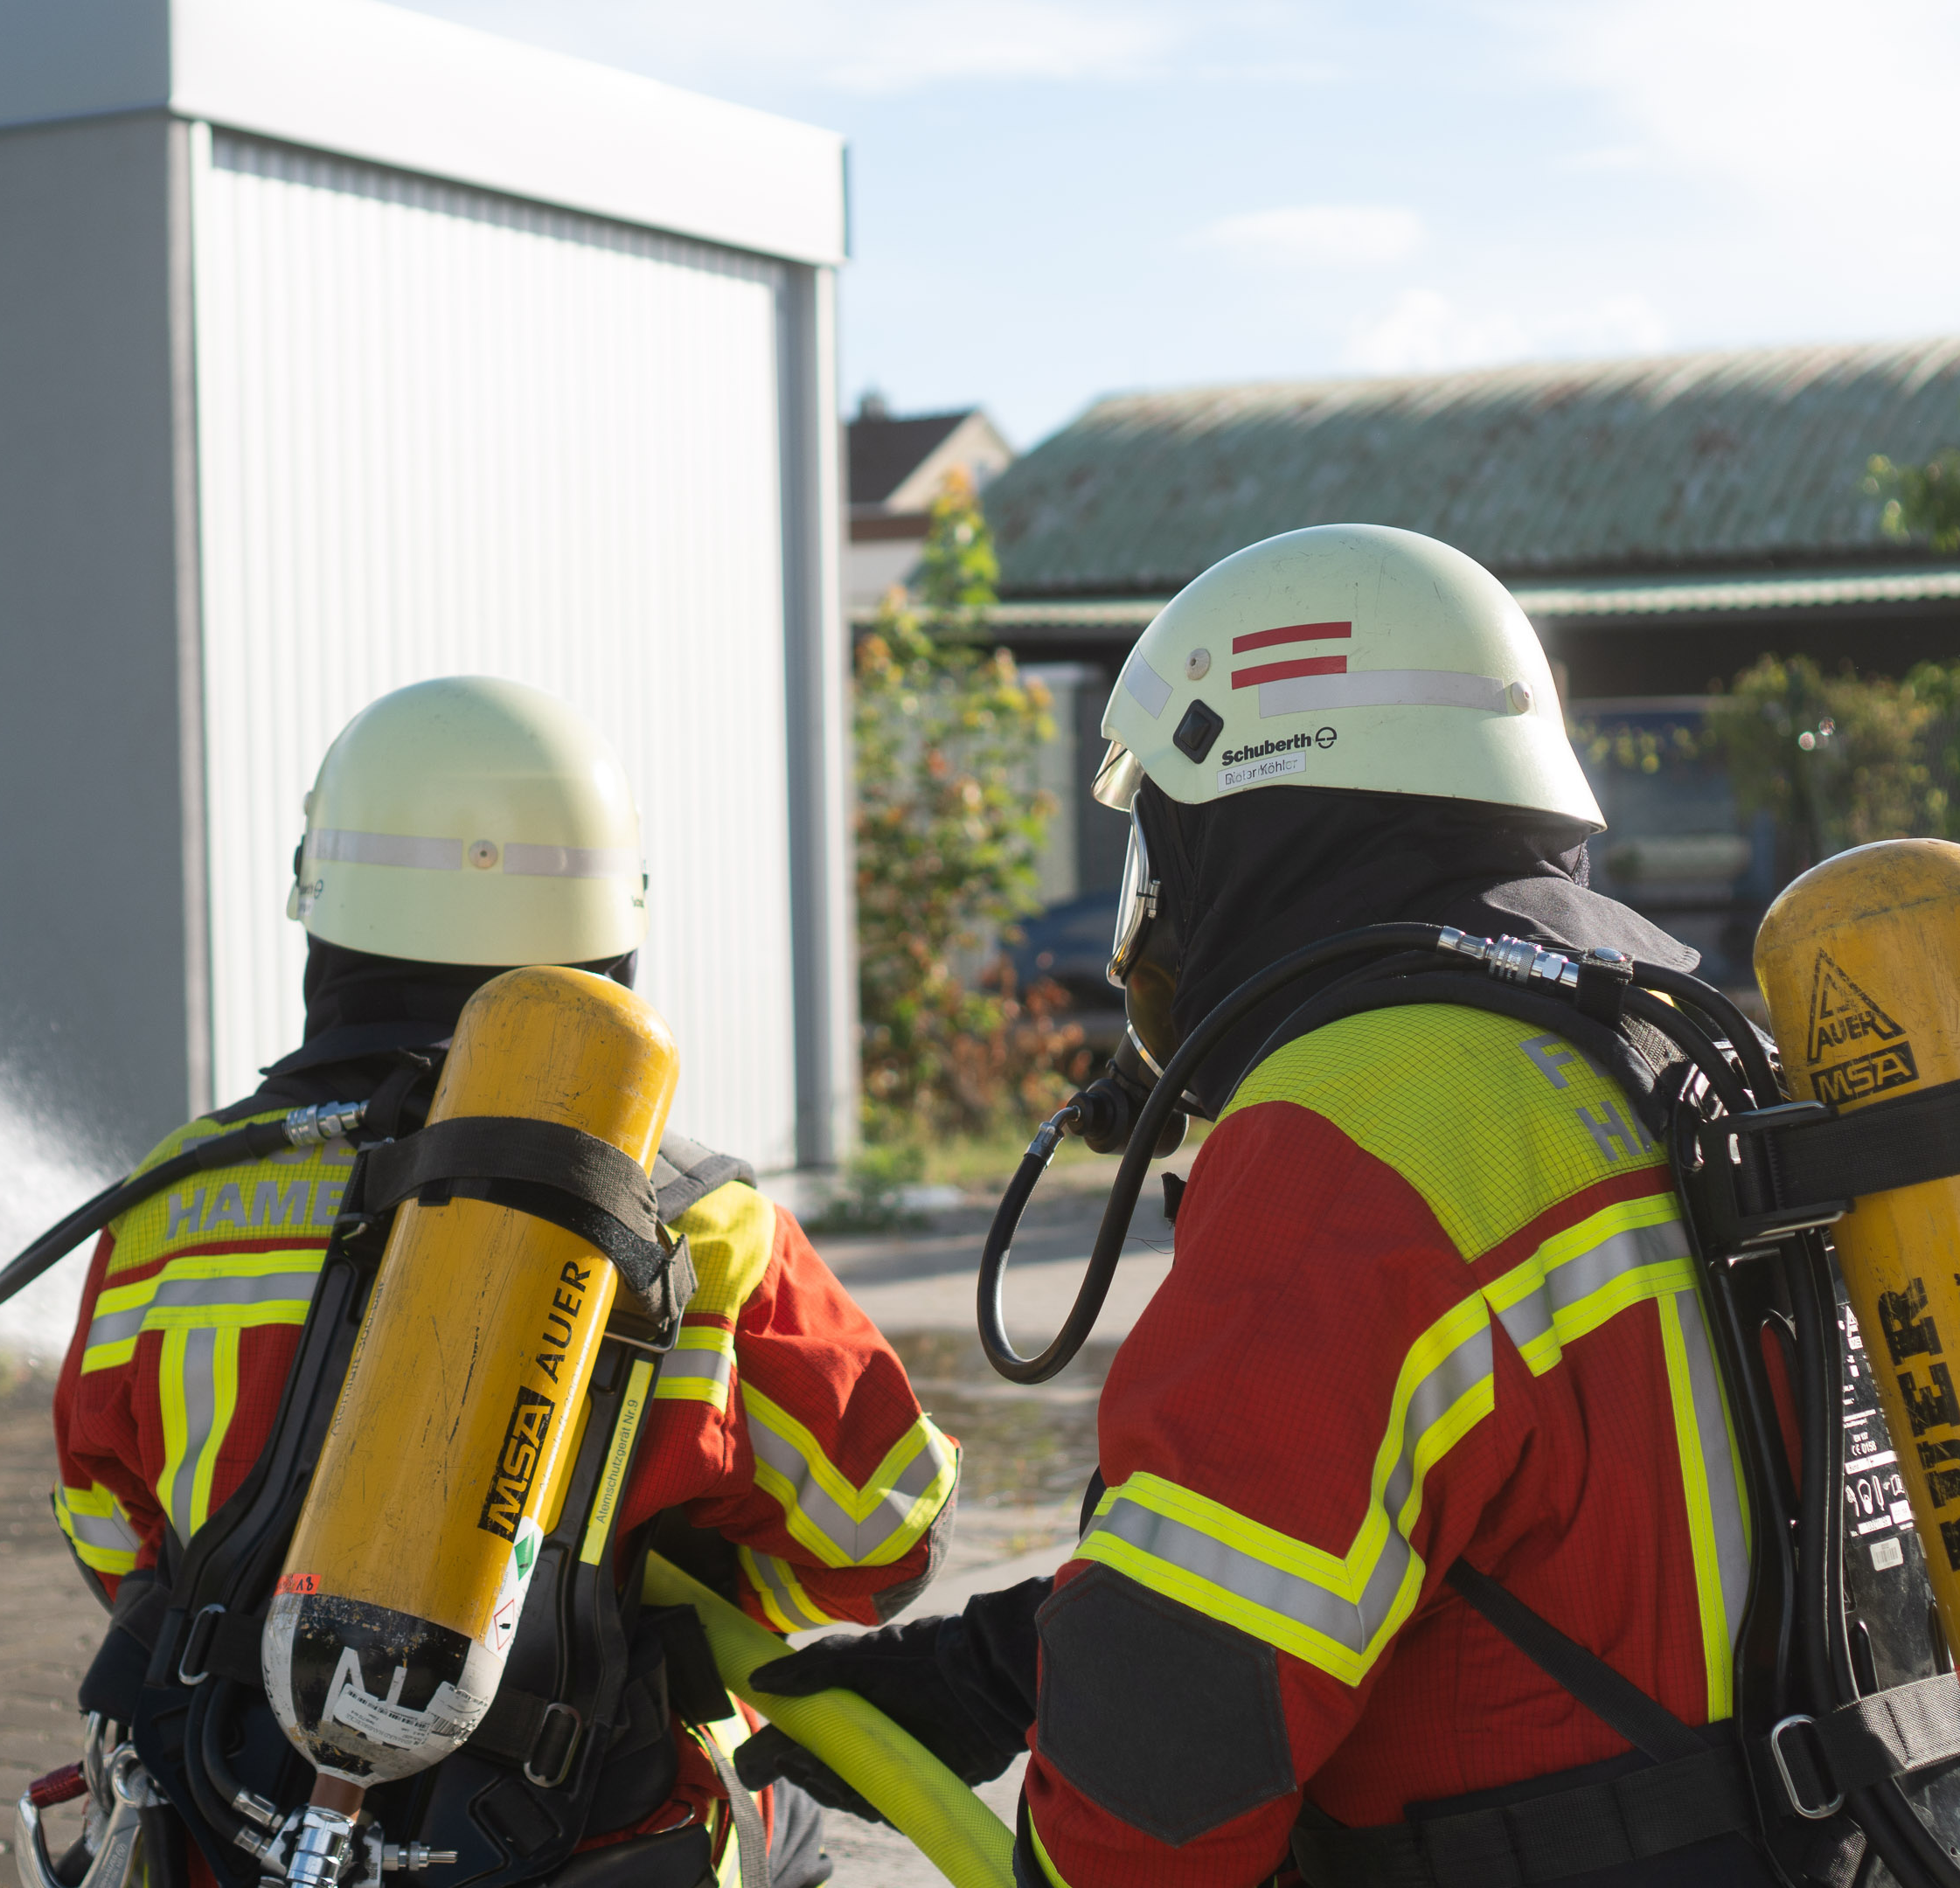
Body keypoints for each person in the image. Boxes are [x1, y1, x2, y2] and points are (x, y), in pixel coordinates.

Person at [745, 524, 1774, 1886]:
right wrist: (999, 1668)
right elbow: (1479, 1538)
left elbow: (1149, 1810)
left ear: (1252, 824)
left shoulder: (1360, 1132)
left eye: (1164, 845)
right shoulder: (1674, 1042)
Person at [48, 676, 956, 1888]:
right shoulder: (707, 1224)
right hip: (583, 1846)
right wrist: (677, 1587)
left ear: (323, 914)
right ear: (608, 930)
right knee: (781, 1820)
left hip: (230, 1832)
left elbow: (109, 1531)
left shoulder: (171, 1203)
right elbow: (883, 1537)